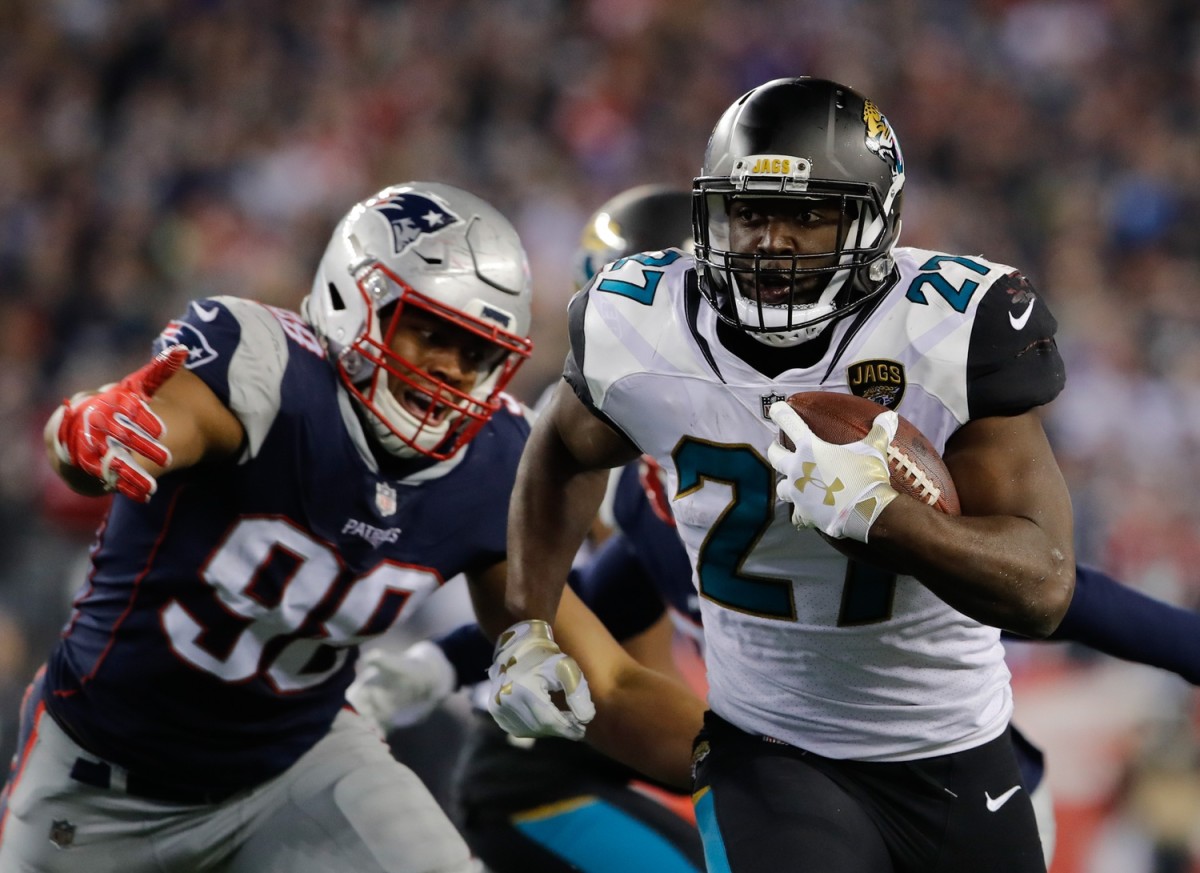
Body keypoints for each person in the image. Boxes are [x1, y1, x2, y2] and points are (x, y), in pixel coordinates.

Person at [360, 182, 1200, 872]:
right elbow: (601, 601)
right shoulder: (636, 487)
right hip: (784, 765)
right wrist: (447, 661)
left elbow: (1056, 589)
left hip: (950, 758)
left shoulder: (810, 440)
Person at [0, 181, 701, 873]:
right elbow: (148, 421)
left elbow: (606, 682)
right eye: (431, 332)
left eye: (477, 353)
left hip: (297, 766)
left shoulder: (492, 463)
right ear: (352, 298)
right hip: (98, 782)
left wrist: (766, 764)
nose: (451, 373)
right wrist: (95, 426)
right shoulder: (268, 369)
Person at [478, 77, 1078, 872]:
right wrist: (528, 622)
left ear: (874, 222)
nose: (772, 241)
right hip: (770, 747)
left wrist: (886, 517)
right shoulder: (640, 322)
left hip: (955, 748)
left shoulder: (952, 330)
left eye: (808, 214)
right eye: (750, 211)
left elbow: (1043, 589)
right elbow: (558, 453)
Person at [353, 185, 707, 873]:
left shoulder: (702, 455)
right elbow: (568, 599)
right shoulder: (607, 449)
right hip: (548, 760)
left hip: (619, 746)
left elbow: (607, 591)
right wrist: (438, 664)